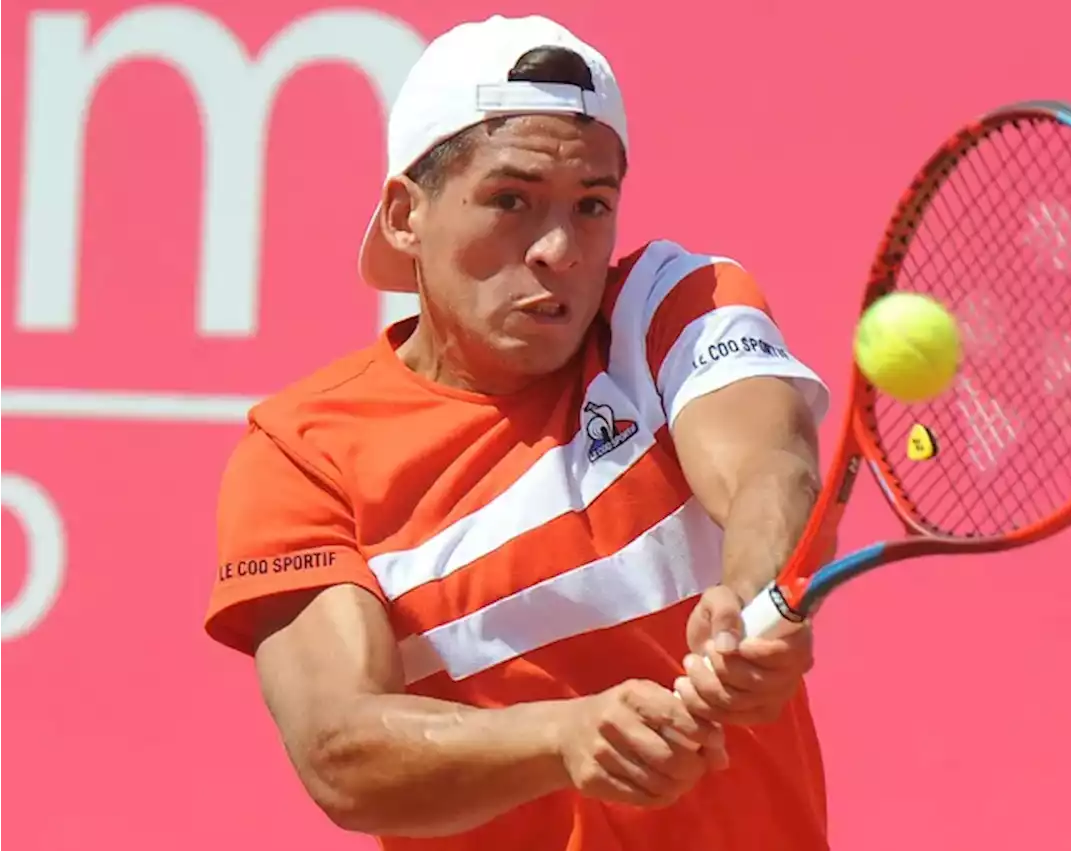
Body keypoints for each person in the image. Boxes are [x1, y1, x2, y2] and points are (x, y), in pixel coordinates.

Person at [205, 13, 832, 851]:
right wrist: (563, 738)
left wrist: (756, 606)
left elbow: (770, 465)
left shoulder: (667, 305)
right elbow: (338, 751)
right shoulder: (301, 451)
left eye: (591, 205)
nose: (558, 249)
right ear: (405, 216)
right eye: (511, 200)